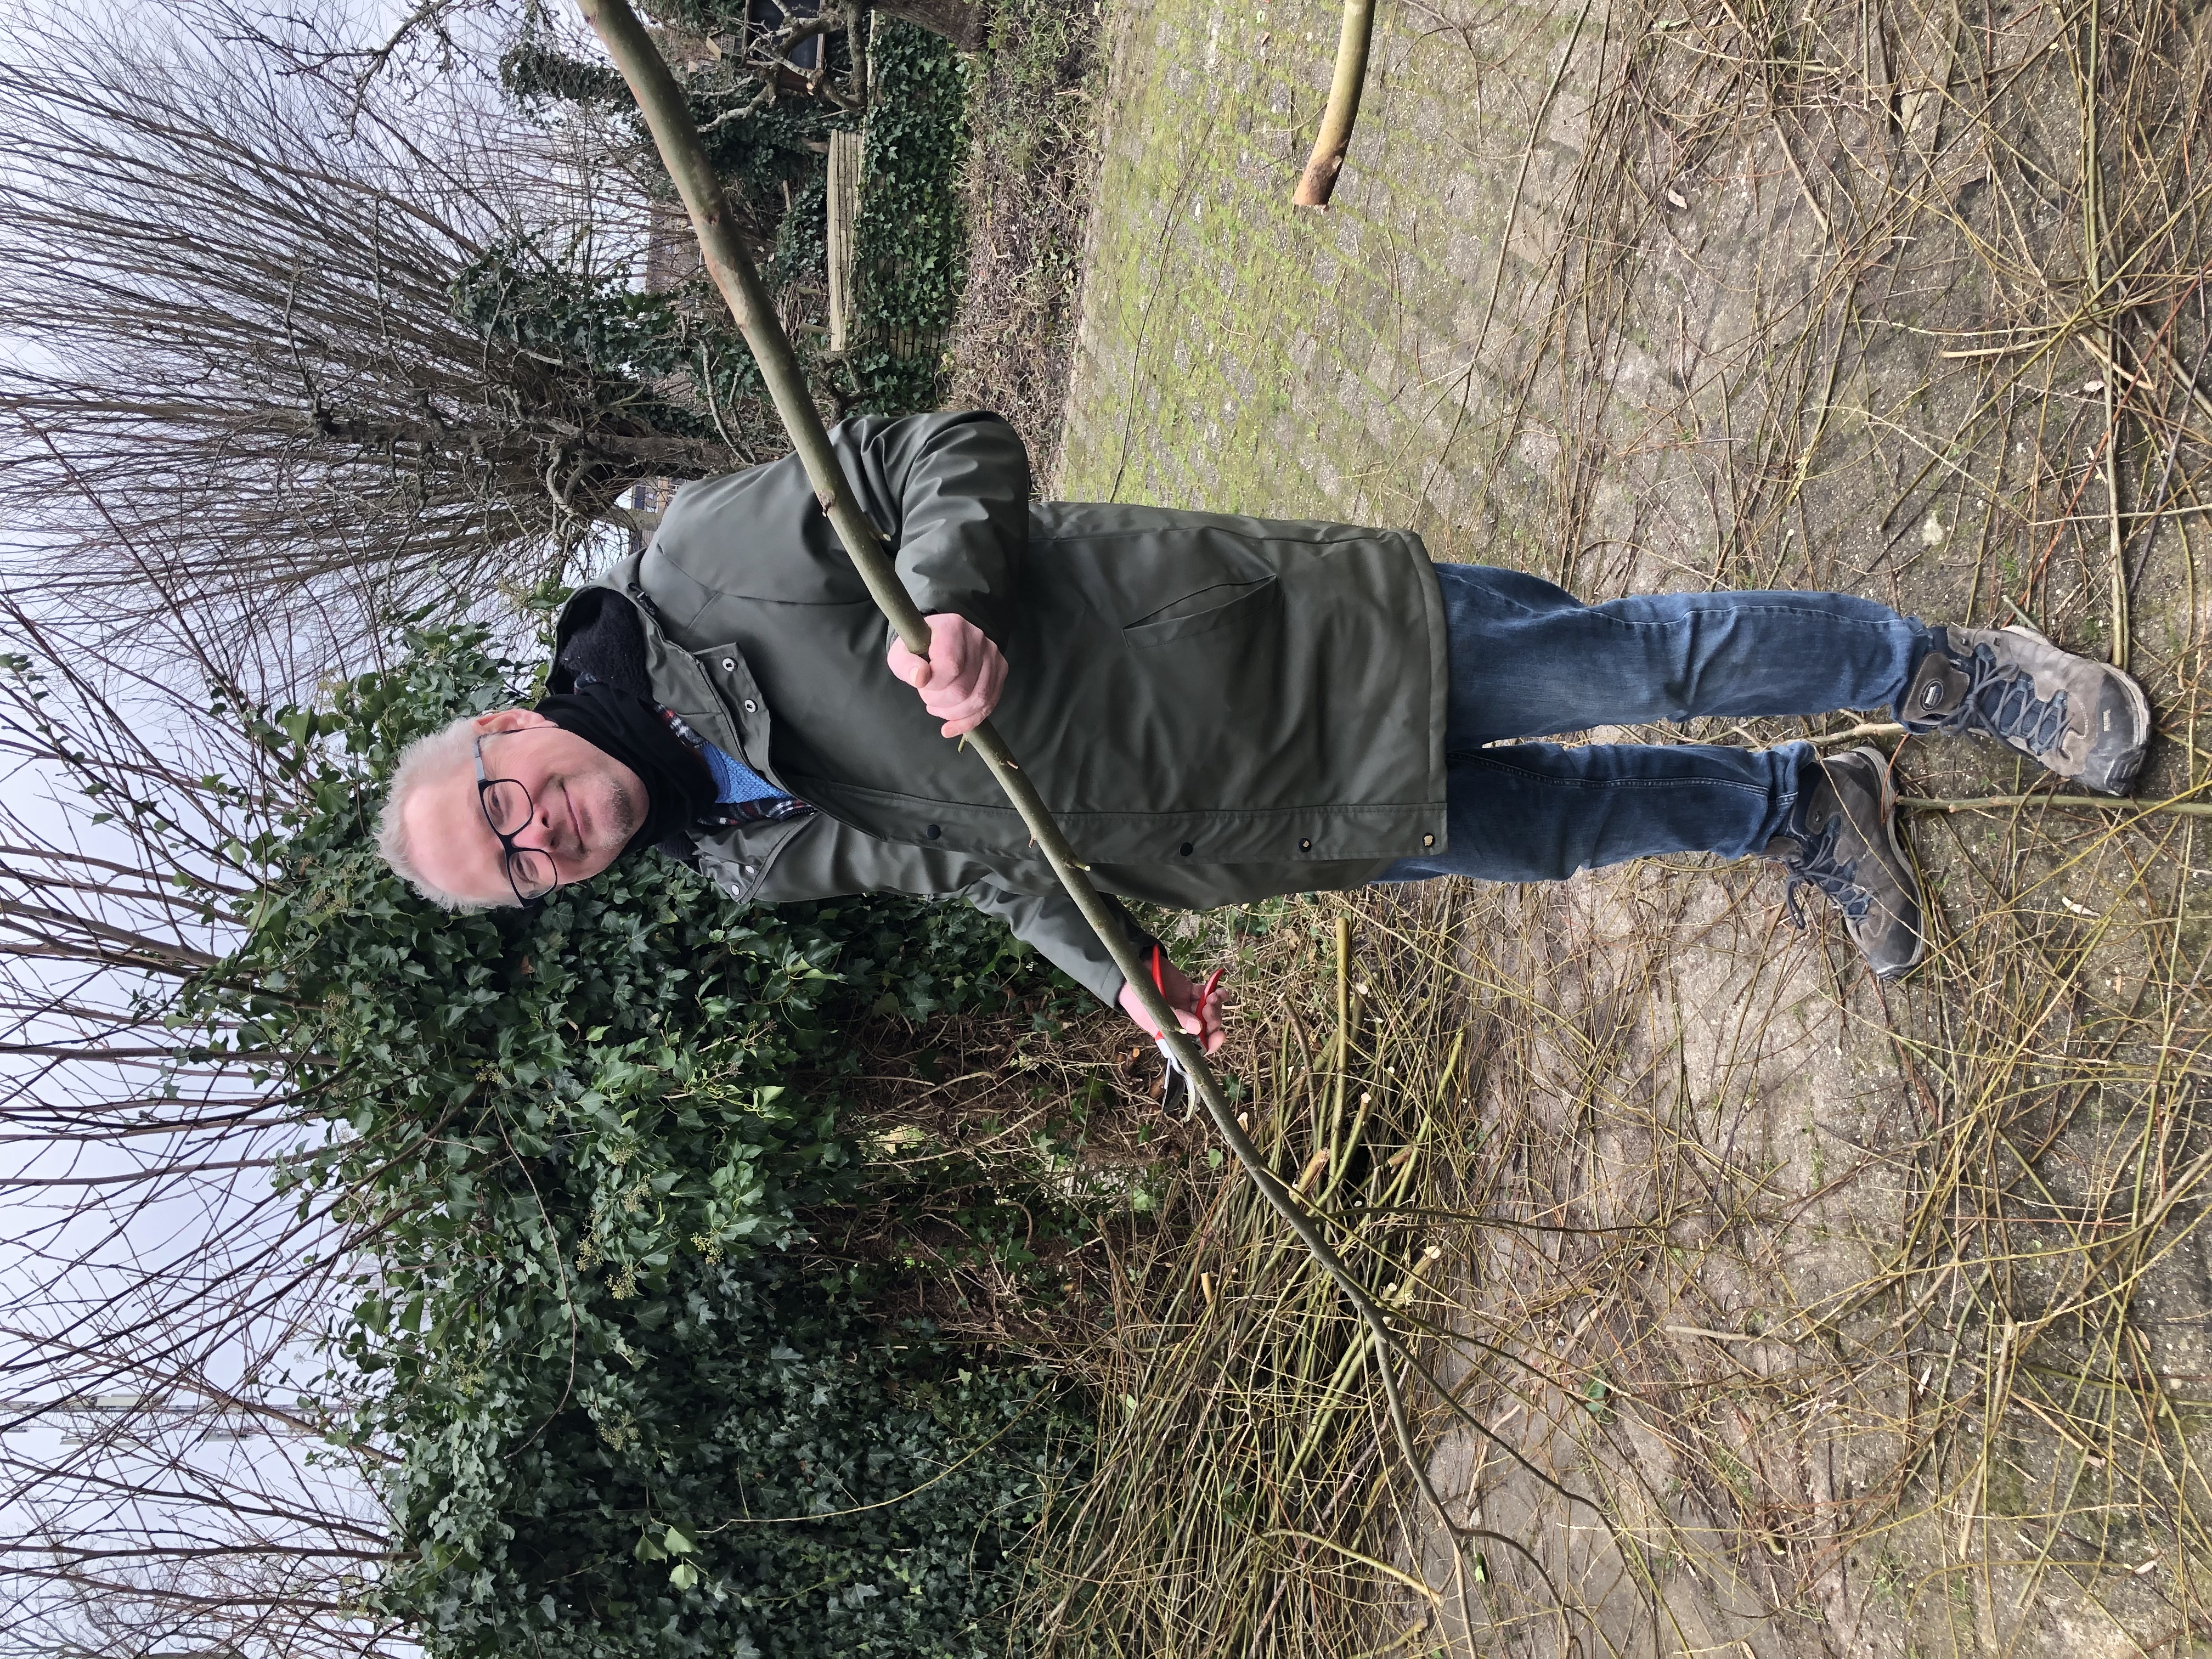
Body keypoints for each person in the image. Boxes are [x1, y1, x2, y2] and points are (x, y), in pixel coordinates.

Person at [375, 412, 2152, 1051]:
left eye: (501, 804)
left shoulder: (706, 569)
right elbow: (990, 871)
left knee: (1635, 662)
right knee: (1560, 830)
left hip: (1261, 652)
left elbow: (952, 452)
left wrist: (947, 600)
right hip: (1247, 825)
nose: (544, 835)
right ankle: (1799, 813)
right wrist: (1126, 980)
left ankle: (1953, 672)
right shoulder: (742, 857)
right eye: (520, 871)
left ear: (495, 723)